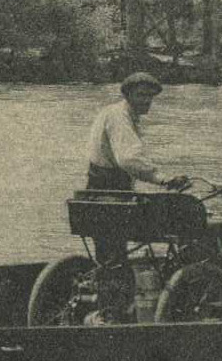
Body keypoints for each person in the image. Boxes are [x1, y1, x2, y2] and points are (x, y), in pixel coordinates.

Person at [80, 72, 190, 321]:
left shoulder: (116, 113)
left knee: (111, 257)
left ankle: (113, 312)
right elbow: (128, 158)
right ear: (127, 95)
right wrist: (162, 178)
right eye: (141, 96)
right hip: (110, 196)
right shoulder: (119, 118)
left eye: (150, 97)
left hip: (99, 193)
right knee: (119, 260)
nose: (146, 102)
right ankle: (121, 318)